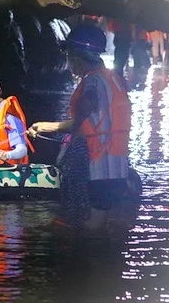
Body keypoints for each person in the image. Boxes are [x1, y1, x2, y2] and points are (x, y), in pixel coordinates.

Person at [27, 25, 134, 230]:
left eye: (69, 56)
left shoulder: (92, 82)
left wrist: (46, 127)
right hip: (118, 168)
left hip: (98, 167)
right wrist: (45, 127)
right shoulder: (113, 78)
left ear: (77, 57)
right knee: (108, 227)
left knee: (91, 229)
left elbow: (80, 121)